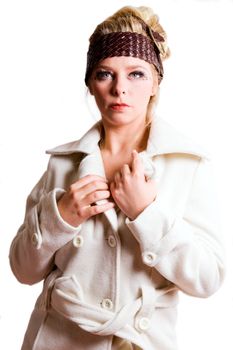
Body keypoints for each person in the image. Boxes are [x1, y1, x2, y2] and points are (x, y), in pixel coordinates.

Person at [9, 5, 225, 350]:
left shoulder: (188, 165)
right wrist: (61, 217)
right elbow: (23, 270)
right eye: (105, 74)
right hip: (56, 339)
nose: (119, 89)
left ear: (156, 81)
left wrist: (148, 213)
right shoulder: (63, 164)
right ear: (90, 85)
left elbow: (208, 278)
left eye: (136, 74)